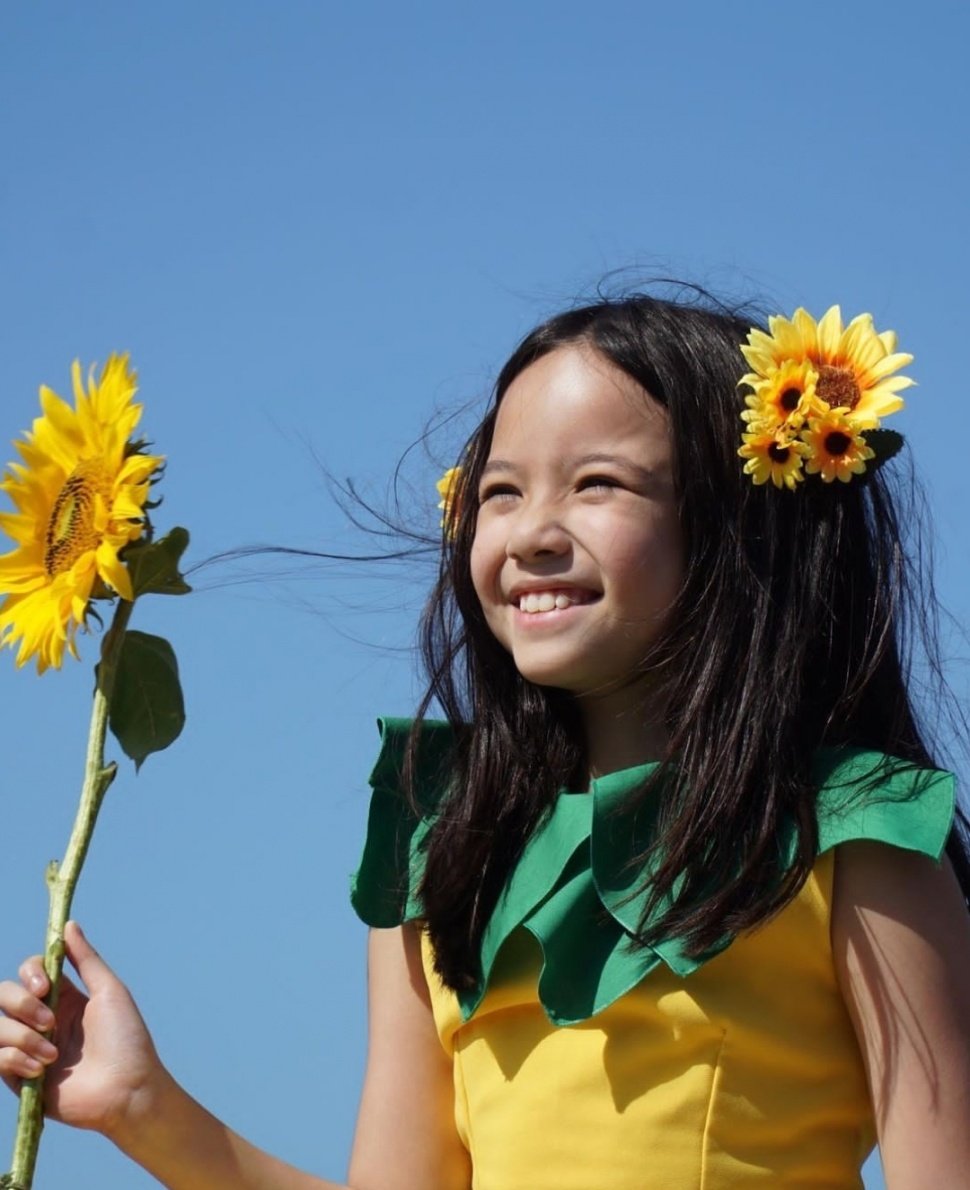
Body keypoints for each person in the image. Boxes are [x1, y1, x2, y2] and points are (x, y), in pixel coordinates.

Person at [2, 292, 969, 1188]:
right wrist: (146, 1109)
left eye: (598, 483)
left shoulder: (855, 833)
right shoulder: (440, 846)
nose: (532, 532)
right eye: (501, 492)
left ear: (741, 526)